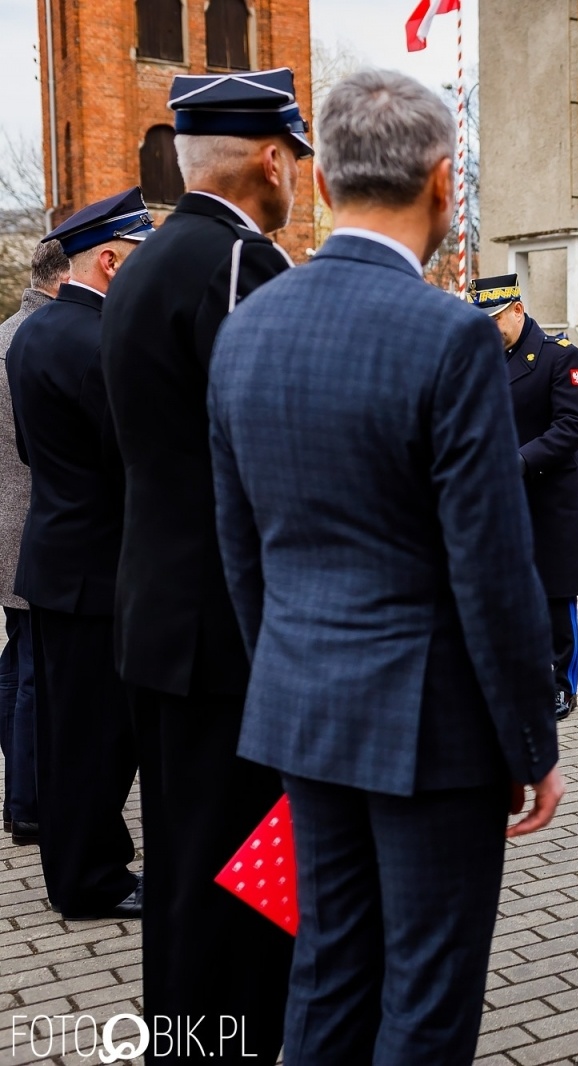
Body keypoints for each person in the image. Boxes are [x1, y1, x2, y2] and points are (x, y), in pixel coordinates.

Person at [207, 69, 565, 1064]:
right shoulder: (451, 336)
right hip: (433, 729)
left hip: (303, 708)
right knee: (427, 990)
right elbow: (493, 570)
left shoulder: (248, 330)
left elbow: (243, 554)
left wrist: (287, 675)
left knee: (328, 970)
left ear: (323, 186)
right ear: (445, 183)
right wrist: (531, 740)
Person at [99, 67, 309, 1058]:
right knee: (243, 867)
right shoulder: (237, 265)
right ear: (270, 158)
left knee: (188, 857)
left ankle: (183, 1036)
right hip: (226, 626)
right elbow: (273, 453)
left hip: (158, 610)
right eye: (298, 158)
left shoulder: (142, 262)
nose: (303, 177)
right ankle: (224, 1042)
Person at [7, 189, 153, 919]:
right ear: (107, 259)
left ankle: (83, 865)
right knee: (97, 742)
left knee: (69, 736)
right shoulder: (103, 343)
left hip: (61, 559)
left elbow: (35, 453)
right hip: (101, 570)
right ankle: (91, 881)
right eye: (136, 259)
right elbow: (133, 462)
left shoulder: (35, 332)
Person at [469, 274, 578, 720]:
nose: (488, 327)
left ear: (517, 310)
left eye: (495, 318)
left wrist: (519, 461)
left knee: (555, 599)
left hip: (547, 499)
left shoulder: (559, 358)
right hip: (498, 503)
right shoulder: (481, 359)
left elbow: (572, 426)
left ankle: (562, 685)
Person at [0, 239, 68, 848]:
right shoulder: (42, 336)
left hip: (7, 522)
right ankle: (27, 806)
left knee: (14, 662)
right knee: (30, 675)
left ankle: (14, 796)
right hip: (30, 522)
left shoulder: (4, 331)